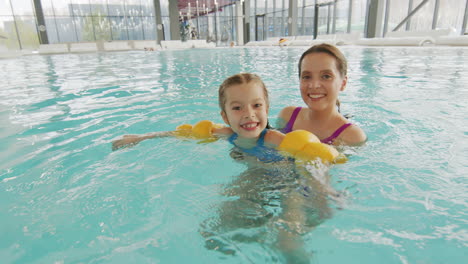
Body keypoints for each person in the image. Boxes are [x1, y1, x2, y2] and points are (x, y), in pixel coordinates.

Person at [278, 43, 367, 146]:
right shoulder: (287, 116)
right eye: (307, 77)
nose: (314, 85)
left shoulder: (352, 136)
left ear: (343, 83)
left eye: (326, 76)